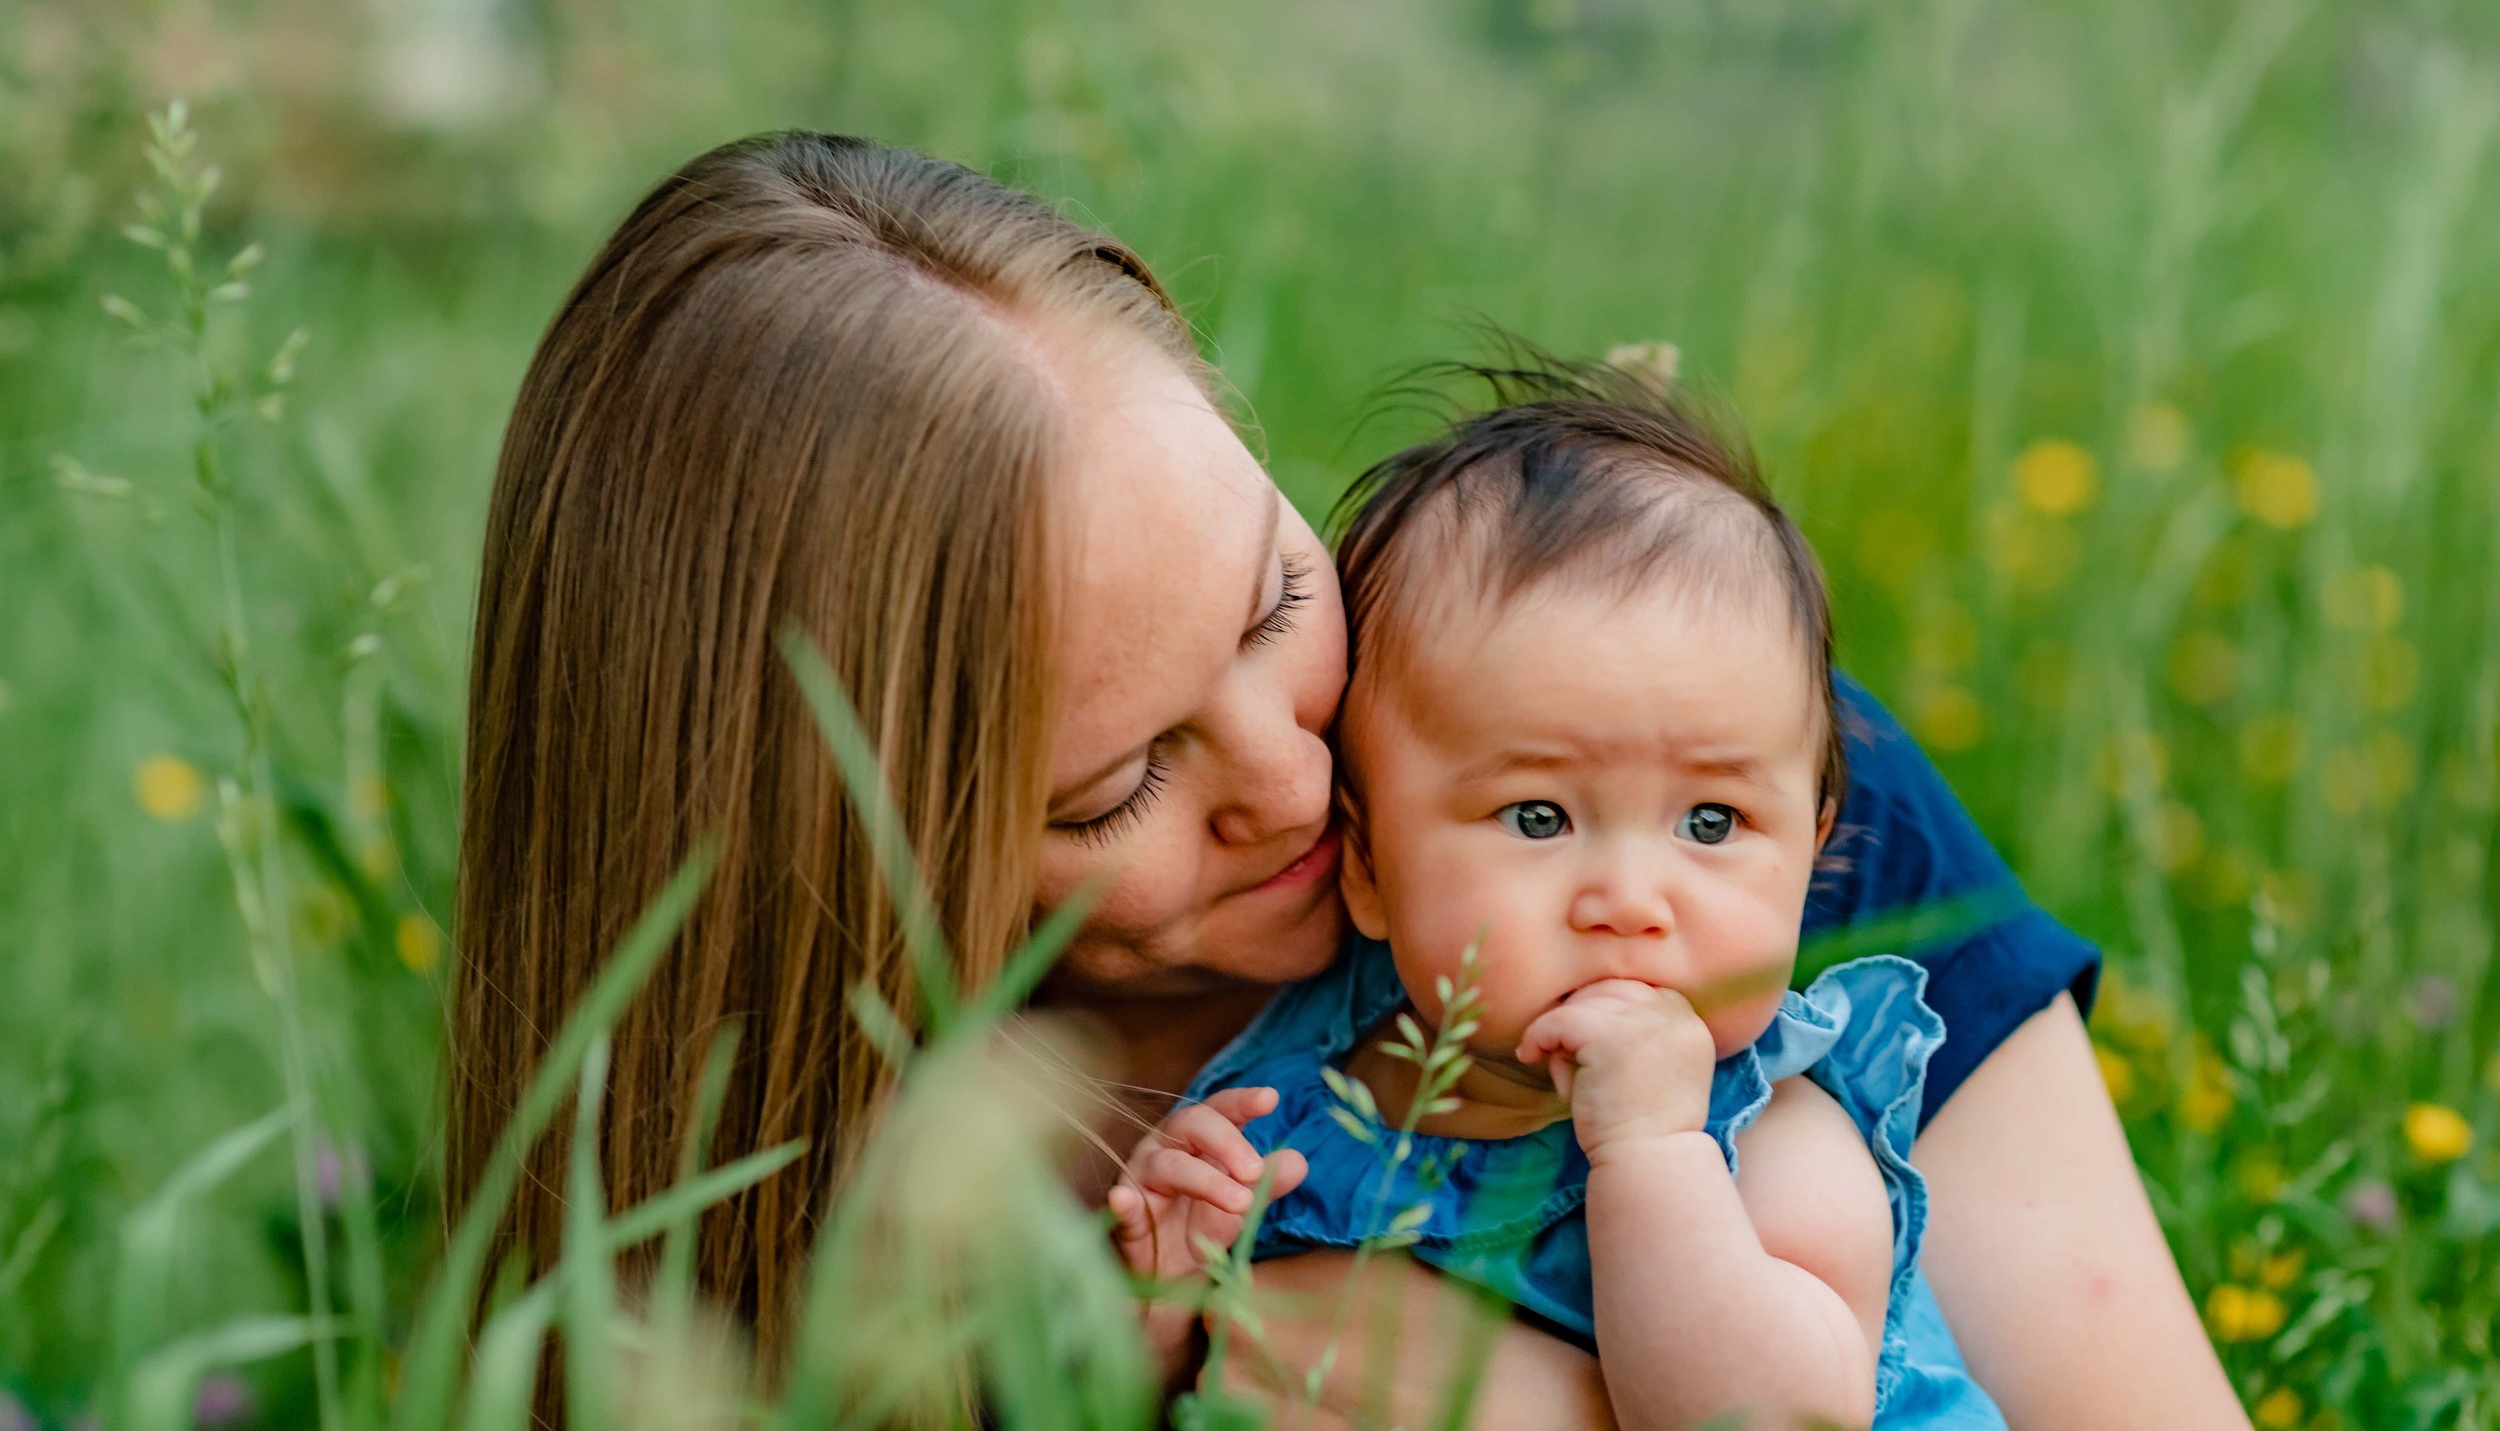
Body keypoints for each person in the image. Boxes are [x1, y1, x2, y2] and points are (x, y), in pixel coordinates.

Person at [449, 130, 2250, 1426]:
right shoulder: (804, 1195)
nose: (1299, 785)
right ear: (829, 850)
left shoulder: (1684, 791)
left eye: (1270, 602)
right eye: (1113, 785)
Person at [1108, 360, 2002, 1427]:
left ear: (1809, 854)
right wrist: (1159, 1308)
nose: (1628, 900)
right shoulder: (1286, 1108)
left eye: (1710, 823)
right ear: (1366, 864)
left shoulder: (1767, 1142)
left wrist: (1651, 1157)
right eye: (1538, 816)